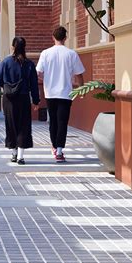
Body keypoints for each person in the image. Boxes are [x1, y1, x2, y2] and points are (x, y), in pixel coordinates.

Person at [36, 26, 85, 162]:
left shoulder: (45, 53)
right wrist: (82, 90)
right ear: (65, 38)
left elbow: (38, 72)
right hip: (66, 93)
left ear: (53, 37)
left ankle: (53, 145)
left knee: (53, 121)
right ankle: (59, 151)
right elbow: (79, 74)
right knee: (63, 121)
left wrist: (45, 79)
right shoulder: (71, 54)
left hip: (50, 93)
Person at [0, 36, 40, 165]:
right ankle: (21, 156)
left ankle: (14, 154)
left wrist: (6, 86)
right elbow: (34, 84)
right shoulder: (29, 64)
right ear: (24, 47)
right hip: (24, 98)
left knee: (11, 125)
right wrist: (36, 101)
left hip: (8, 99)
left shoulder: (5, 62)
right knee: (23, 126)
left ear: (12, 47)